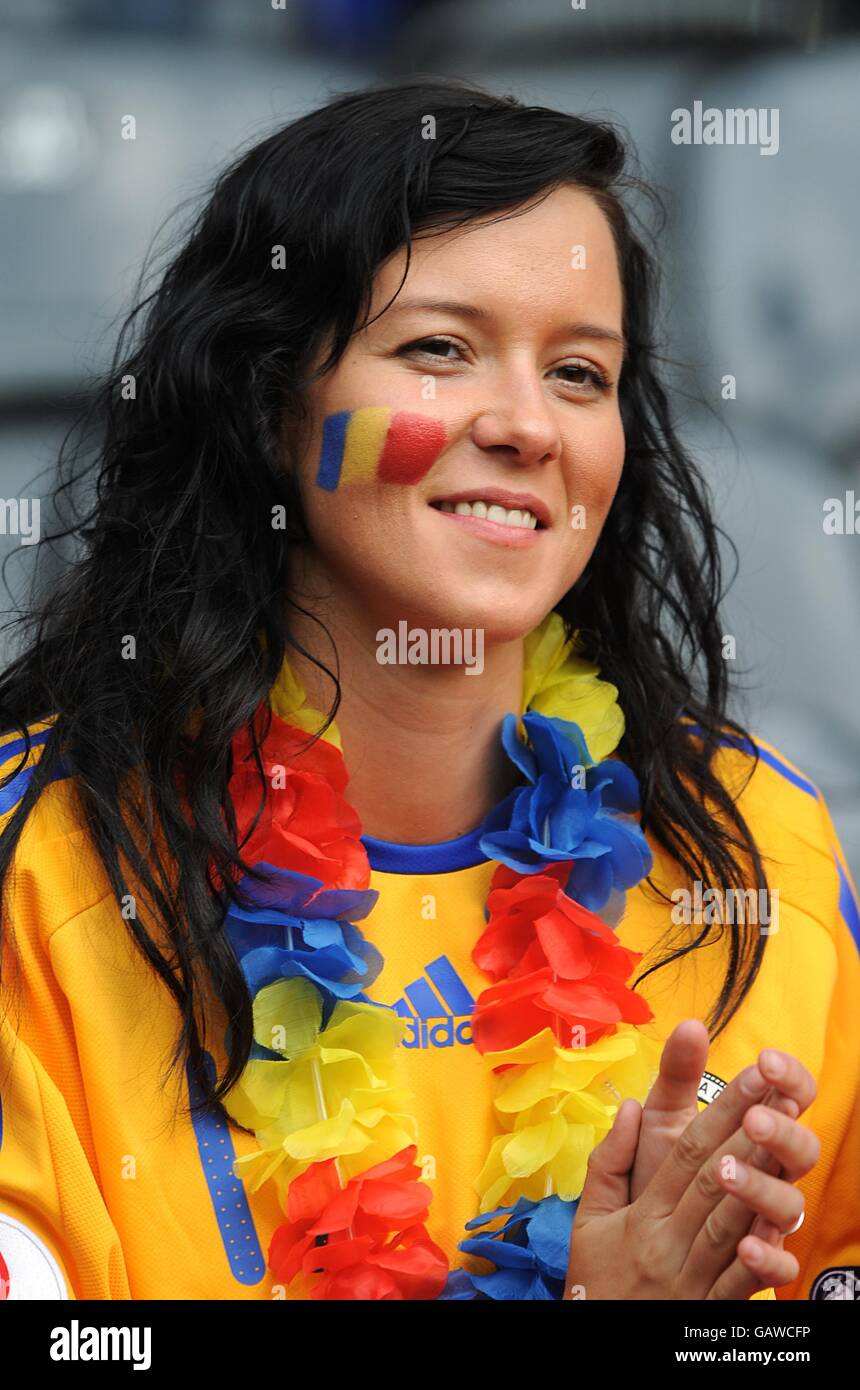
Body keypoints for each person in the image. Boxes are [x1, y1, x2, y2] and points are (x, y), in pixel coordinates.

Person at [0, 78, 857, 1303]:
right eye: (439, 349)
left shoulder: (757, 859)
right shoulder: (50, 870)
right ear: (264, 400)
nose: (526, 425)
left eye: (578, 371)